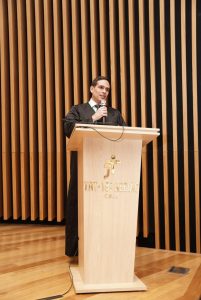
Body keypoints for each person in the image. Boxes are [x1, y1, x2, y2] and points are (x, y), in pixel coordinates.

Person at [63, 75, 126, 256]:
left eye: (107, 89)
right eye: (101, 87)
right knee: (79, 206)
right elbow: (68, 129)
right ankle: (77, 250)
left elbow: (125, 133)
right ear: (92, 89)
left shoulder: (114, 113)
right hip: (84, 167)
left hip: (107, 170)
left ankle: (108, 249)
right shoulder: (78, 110)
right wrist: (93, 118)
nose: (104, 91)